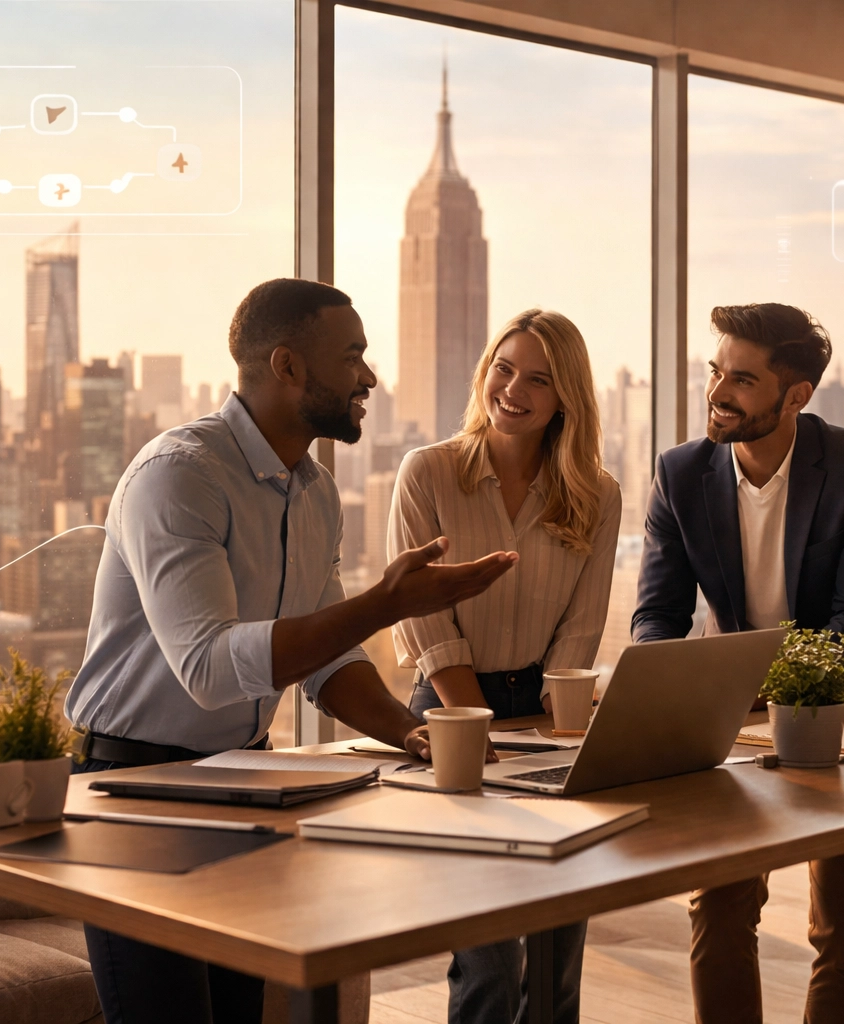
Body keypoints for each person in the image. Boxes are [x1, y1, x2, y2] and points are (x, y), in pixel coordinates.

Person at [63, 278, 518, 1024]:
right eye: (354, 357)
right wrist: (385, 603)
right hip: (132, 791)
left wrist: (408, 732)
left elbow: (326, 657)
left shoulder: (315, 494)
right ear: (287, 367)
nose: (369, 377)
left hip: (240, 782)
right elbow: (210, 668)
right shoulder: (180, 475)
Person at [633, 303, 844, 1024]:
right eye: (714, 371)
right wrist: (673, 694)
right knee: (720, 904)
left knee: (843, 929)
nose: (719, 391)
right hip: (736, 713)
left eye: (743, 380)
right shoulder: (680, 473)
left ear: (797, 397)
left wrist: (747, 683)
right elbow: (659, 616)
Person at [388, 308, 621, 1024]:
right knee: (490, 949)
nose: (513, 389)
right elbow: (426, 621)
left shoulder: (596, 495)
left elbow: (582, 630)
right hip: (450, 705)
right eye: (504, 368)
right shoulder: (427, 472)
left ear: (566, 399)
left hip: (551, 709)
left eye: (539, 379)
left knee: (558, 935)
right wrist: (470, 721)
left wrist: (558, 728)